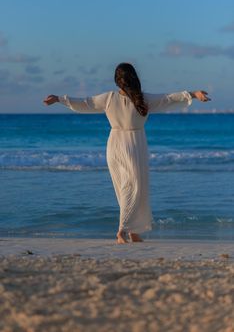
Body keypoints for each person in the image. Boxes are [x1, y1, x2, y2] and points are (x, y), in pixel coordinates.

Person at [43, 62, 211, 244]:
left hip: (120, 144)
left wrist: (60, 98)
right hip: (128, 144)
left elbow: (86, 103)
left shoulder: (130, 98)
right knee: (132, 187)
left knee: (129, 188)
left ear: (117, 80)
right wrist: (60, 99)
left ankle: (133, 232)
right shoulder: (121, 98)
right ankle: (122, 231)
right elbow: (86, 103)